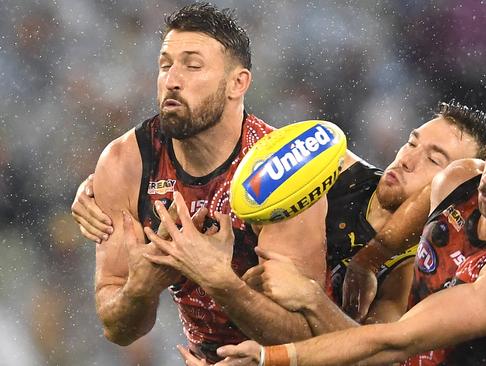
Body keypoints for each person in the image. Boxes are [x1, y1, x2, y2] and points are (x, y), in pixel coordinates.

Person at [208, 86, 486, 366]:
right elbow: (391, 240)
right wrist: (367, 262)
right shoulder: (460, 181)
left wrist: (269, 356)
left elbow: (395, 344)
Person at [73, 100, 486, 327]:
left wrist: (277, 351)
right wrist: (107, 185)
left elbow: (367, 355)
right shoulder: (335, 164)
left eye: (434, 159)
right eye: (412, 142)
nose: (408, 158)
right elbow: (242, 148)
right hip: (208, 338)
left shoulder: (410, 274)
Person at [84, 3, 328, 363]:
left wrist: (218, 280)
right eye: (165, 64)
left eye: (193, 65)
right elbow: (119, 330)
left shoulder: (282, 170)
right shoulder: (127, 162)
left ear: (237, 83)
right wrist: (141, 287)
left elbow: (310, 335)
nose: (172, 79)